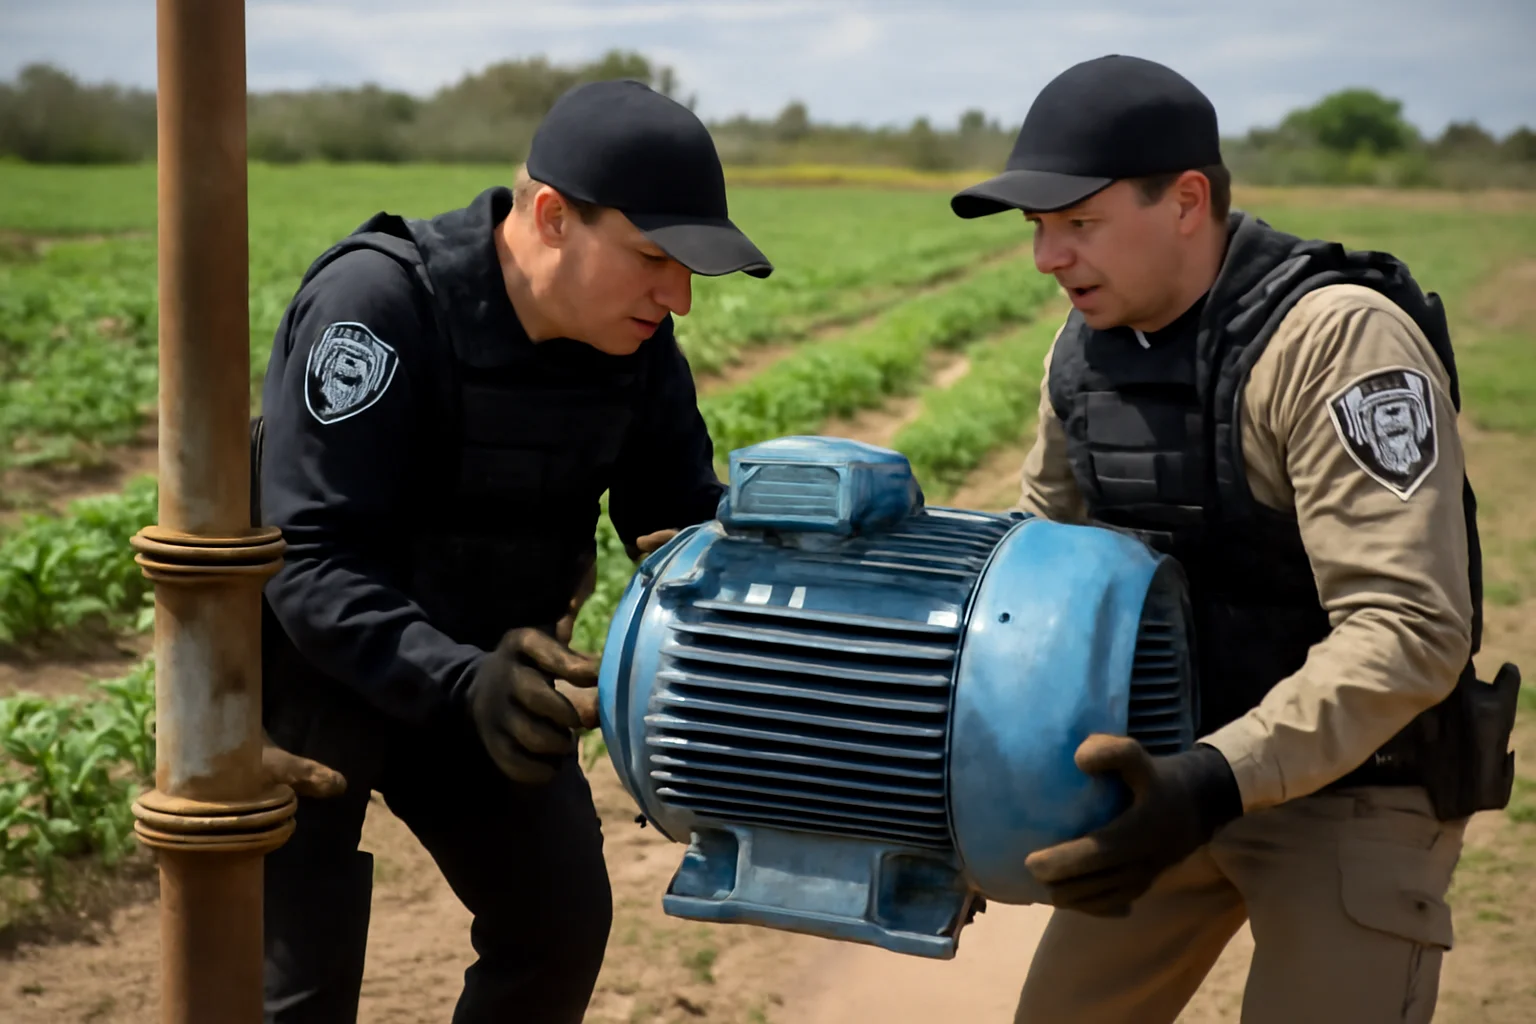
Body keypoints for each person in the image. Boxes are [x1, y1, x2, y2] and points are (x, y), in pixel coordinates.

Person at [950, 54, 1520, 1023]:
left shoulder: (1336, 341)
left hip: (1355, 780)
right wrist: (975, 804)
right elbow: (1042, 593)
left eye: (1078, 223)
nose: (1048, 257)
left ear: (1184, 201)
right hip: (1165, 775)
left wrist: (1213, 780)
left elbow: (1411, 627)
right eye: (1038, 228)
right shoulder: (1082, 354)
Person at [253, 78, 772, 1024]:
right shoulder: (380, 306)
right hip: (317, 677)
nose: (680, 298)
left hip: (492, 679)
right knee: (295, 990)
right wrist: (456, 680)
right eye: (655, 257)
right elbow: (311, 558)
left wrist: (789, 585)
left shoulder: (637, 344)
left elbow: (679, 521)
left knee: (558, 925)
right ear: (551, 217)